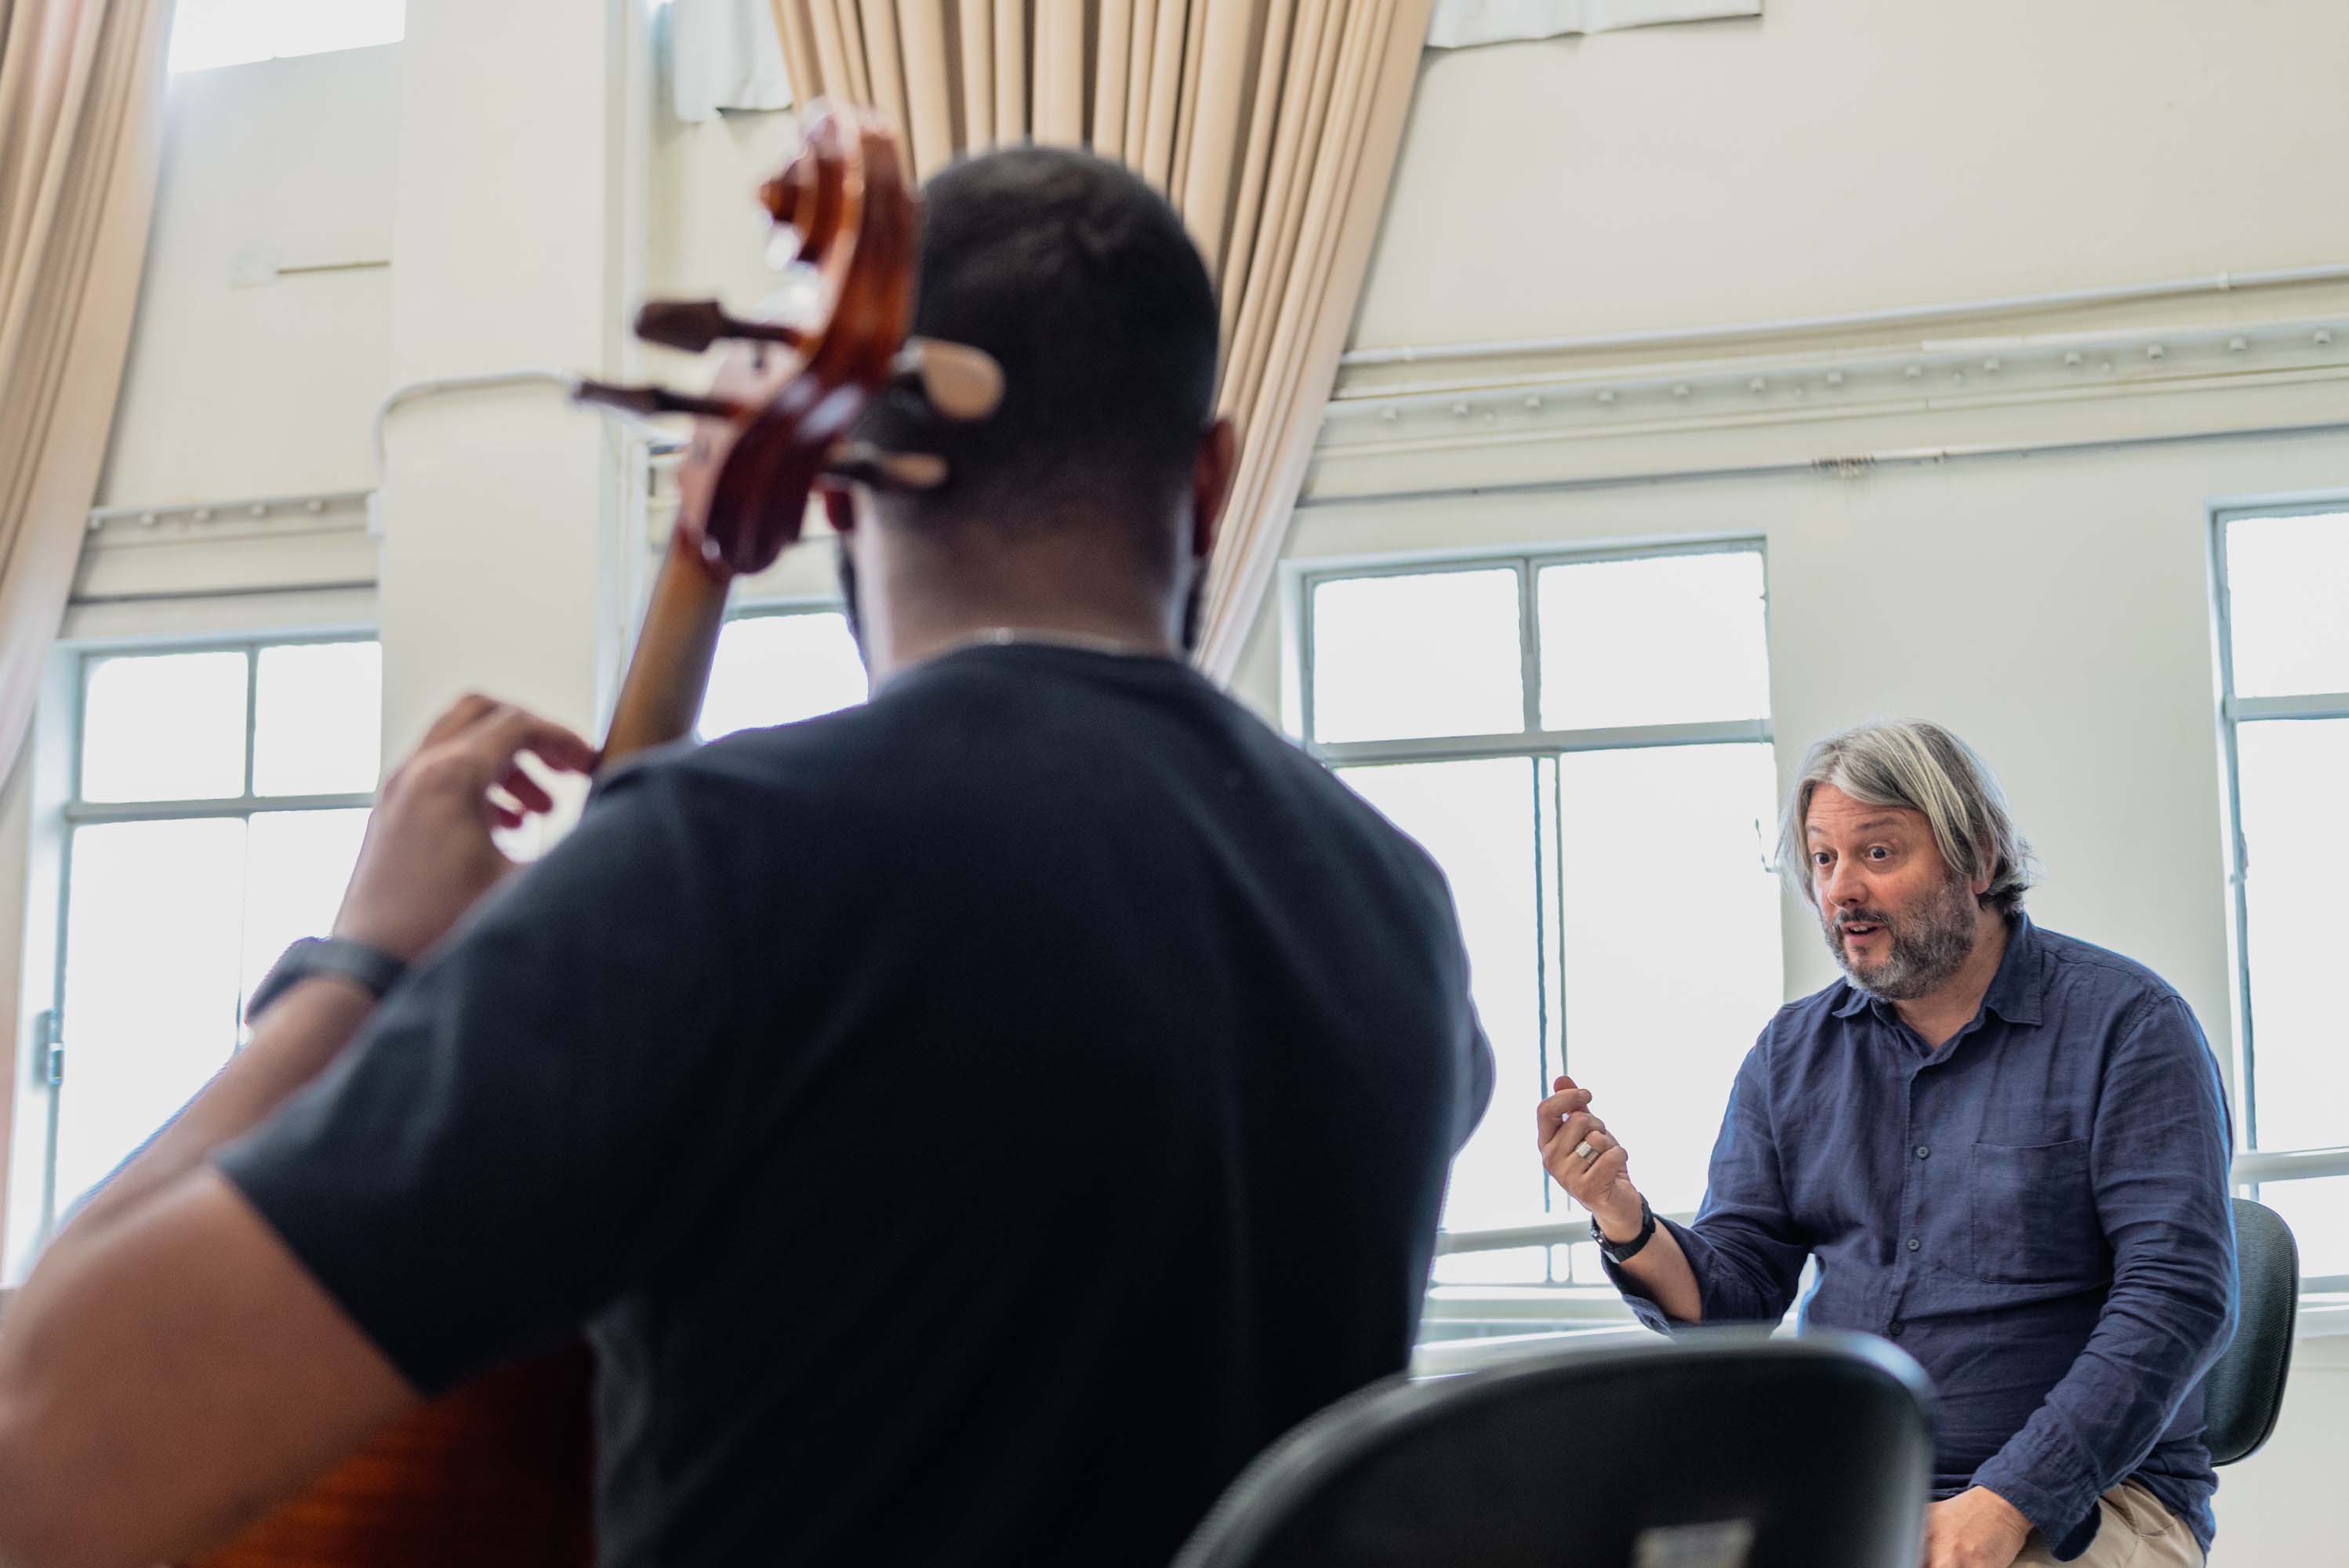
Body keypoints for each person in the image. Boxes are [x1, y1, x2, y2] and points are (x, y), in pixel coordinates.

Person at [0, 148, 1493, 1568]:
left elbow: (38, 1455)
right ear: (1215, 476)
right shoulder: (1392, 908)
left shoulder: (737, 871)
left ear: (836, 485)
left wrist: (357, 970)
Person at [1537, 720, 2234, 1568]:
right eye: (1822, 860)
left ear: (1975, 860)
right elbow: (1737, 1297)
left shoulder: (2128, 1026)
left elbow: (2176, 1297)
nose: (1840, 891)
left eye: (1876, 853)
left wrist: (2008, 1498)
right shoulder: (1790, 1052)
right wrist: (1622, 1215)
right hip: (1852, 1479)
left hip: (2091, 1495)